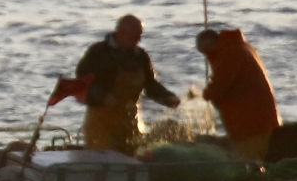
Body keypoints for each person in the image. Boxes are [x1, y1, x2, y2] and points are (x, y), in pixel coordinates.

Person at [75, 14, 180, 154]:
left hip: (130, 119)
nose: (138, 40)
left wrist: (168, 98)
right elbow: (81, 84)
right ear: (120, 32)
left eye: (140, 36)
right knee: (104, 159)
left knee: (133, 156)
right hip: (101, 122)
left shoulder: (140, 56)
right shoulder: (99, 52)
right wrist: (103, 97)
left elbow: (150, 85)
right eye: (135, 36)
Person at [195, 27, 280, 160]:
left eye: (206, 52)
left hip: (251, 123)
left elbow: (220, 85)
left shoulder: (229, 53)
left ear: (210, 45)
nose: (207, 57)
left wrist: (205, 94)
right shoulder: (239, 47)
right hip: (259, 118)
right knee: (253, 156)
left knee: (249, 161)